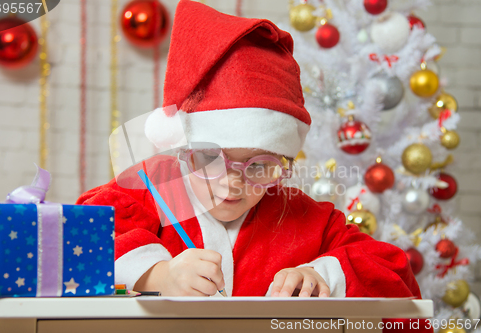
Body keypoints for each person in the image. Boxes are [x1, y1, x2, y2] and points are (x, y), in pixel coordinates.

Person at [77, 0, 421, 298]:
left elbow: (394, 271)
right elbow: (80, 234)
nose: (232, 182)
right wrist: (160, 275)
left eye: (259, 166)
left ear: (284, 164)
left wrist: (323, 274)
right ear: (184, 152)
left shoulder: (299, 216)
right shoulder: (157, 188)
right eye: (211, 158)